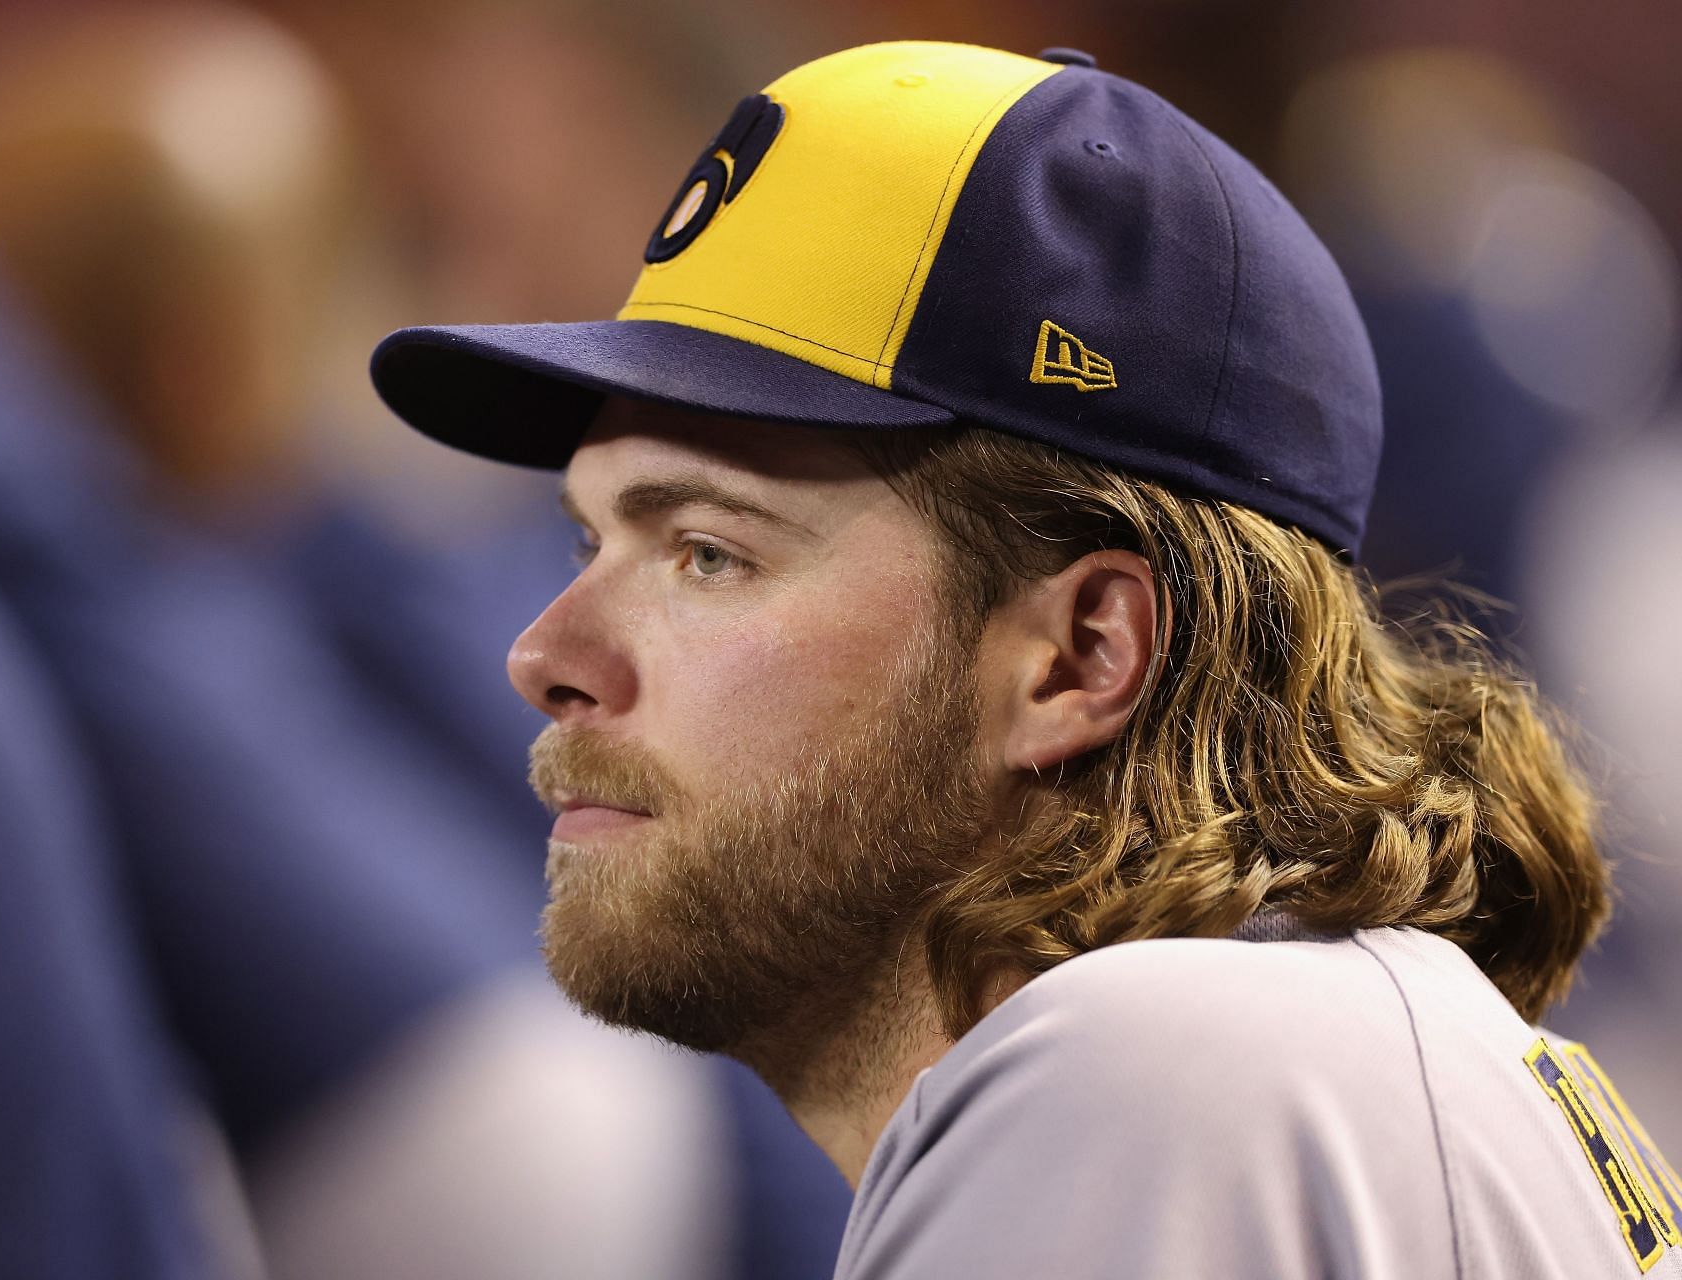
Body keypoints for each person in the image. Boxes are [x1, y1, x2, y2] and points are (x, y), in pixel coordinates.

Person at [370, 39, 1682, 1279]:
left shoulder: (1152, 1073)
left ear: (1079, 656)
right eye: (587, 540)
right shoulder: (1288, 1055)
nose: (545, 656)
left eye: (709, 553)